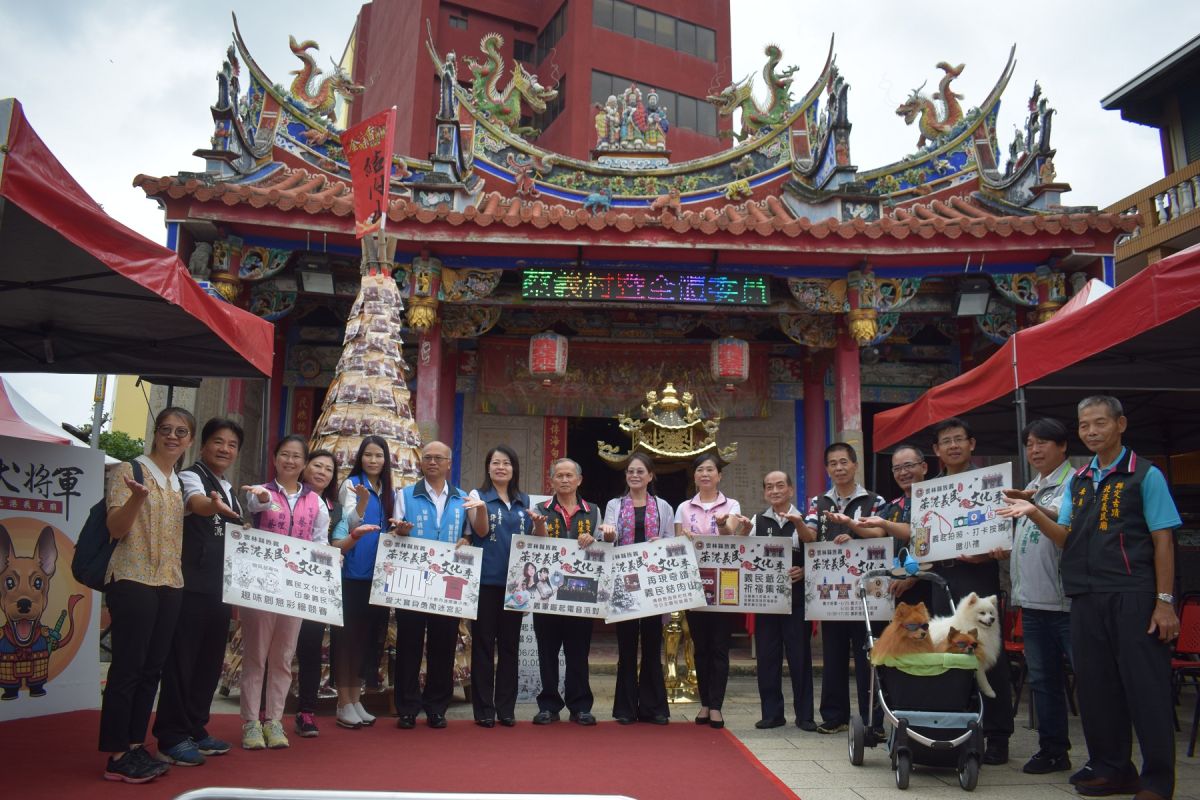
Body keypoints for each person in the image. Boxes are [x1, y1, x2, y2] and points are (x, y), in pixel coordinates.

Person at [1000, 396, 1181, 800]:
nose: (1092, 431)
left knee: (1144, 688)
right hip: (1083, 595)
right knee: (1097, 687)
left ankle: (1157, 779)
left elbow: (1163, 539)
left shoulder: (1144, 474)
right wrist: (1032, 512)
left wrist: (1164, 601)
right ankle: (1112, 768)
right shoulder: (1079, 481)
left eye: (1100, 423)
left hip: (1133, 592)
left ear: (1120, 424)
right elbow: (1065, 537)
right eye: (1085, 425)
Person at [99, 407, 195, 783]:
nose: (173, 436)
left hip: (170, 582)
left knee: (152, 669)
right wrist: (136, 498)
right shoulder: (131, 470)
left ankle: (136, 744)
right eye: (166, 429)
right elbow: (115, 528)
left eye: (181, 431)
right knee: (127, 667)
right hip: (133, 579)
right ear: (156, 433)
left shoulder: (177, 482)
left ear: (189, 440)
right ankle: (117, 754)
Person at [153, 418, 244, 767]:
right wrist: (212, 504)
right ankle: (171, 736)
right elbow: (196, 503)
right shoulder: (191, 475)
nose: (225, 449)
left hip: (219, 588)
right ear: (203, 446)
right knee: (181, 661)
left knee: (208, 663)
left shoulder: (229, 487)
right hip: (190, 586)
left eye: (232, 444)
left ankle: (195, 727)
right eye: (218, 442)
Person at [928, 417, 1014, 765]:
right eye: (945, 441)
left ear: (972, 444)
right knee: (946, 652)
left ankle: (997, 736)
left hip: (978, 579)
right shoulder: (930, 489)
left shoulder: (992, 483)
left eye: (958, 439)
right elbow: (922, 538)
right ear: (936, 450)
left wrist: (997, 549)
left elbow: (1005, 532)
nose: (952, 446)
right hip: (942, 579)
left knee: (987, 654)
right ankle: (953, 729)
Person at [239, 435, 330, 751]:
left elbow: (320, 541)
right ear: (275, 457)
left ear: (304, 464)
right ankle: (251, 721)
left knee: (282, 656)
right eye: (285, 455)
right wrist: (264, 497)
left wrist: (329, 561)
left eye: (296, 457)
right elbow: (255, 505)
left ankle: (274, 720)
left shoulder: (315, 502)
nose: (290, 461)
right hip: (261, 586)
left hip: (295, 589)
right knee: (256, 654)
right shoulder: (261, 492)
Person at [998, 418, 1075, 775]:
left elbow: (1063, 527)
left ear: (1062, 446)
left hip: (1066, 602)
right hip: (1031, 602)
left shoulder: (1075, 482)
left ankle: (1108, 755)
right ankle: (1053, 750)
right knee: (1043, 682)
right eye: (1030, 443)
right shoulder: (1031, 486)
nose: (1035, 450)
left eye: (1043, 442)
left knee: (1088, 679)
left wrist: (1033, 507)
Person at [797, 442, 886, 736]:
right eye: (833, 463)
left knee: (867, 656)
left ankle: (872, 719)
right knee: (832, 655)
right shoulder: (818, 503)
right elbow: (810, 537)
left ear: (855, 465)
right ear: (827, 469)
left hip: (866, 594)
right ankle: (835, 716)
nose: (839, 468)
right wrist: (798, 523)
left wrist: (853, 531)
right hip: (831, 592)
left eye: (844, 462)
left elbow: (881, 533)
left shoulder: (874, 500)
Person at [729, 470, 817, 731]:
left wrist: (805, 571)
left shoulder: (806, 519)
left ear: (791, 490)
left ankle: (805, 716)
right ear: (764, 492)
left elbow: (815, 550)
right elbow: (740, 550)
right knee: (767, 658)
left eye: (780, 486)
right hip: (766, 600)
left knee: (800, 658)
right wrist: (744, 531)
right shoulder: (757, 520)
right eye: (769, 487)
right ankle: (771, 713)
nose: (775, 491)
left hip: (797, 599)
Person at [391, 440, 470, 730]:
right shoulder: (406, 494)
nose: (433, 462)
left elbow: (469, 535)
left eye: (439, 458)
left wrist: (467, 540)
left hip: (448, 582)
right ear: (421, 463)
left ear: (450, 463)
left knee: (444, 645)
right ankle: (407, 708)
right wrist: (399, 531)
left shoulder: (463, 498)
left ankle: (437, 707)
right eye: (428, 458)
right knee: (409, 644)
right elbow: (393, 529)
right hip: (412, 578)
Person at [528, 458, 606, 726]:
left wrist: (594, 539)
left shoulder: (593, 511)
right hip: (546, 594)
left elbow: (602, 552)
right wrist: (539, 526)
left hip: (580, 594)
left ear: (579, 480)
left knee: (578, 652)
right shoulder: (539, 509)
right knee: (547, 651)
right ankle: (548, 705)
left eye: (569, 475)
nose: (564, 479)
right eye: (559, 475)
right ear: (551, 481)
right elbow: (531, 548)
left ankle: (580, 705)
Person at [599, 452, 675, 725]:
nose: (634, 475)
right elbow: (606, 533)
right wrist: (607, 533)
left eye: (640, 471)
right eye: (630, 471)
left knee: (653, 645)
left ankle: (654, 708)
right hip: (624, 581)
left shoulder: (663, 506)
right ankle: (625, 709)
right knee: (627, 645)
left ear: (651, 476)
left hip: (653, 582)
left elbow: (670, 540)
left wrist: (660, 542)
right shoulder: (615, 505)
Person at [674, 452, 746, 729]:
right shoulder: (684, 507)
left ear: (719, 476)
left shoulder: (732, 504)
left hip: (723, 583)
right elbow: (678, 541)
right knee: (700, 647)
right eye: (700, 470)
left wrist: (720, 524)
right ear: (694, 476)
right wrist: (684, 537)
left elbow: (730, 533)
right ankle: (704, 702)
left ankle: (716, 705)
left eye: (710, 470)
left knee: (719, 647)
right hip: (693, 583)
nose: (705, 474)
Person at [464, 445, 531, 728]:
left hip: (516, 585)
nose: (500, 467)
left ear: (514, 469)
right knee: (482, 646)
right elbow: (480, 532)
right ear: (488, 468)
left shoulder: (523, 500)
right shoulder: (477, 496)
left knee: (509, 648)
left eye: (506, 463)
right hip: (486, 582)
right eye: (495, 463)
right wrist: (480, 509)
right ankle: (483, 709)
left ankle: (506, 708)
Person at [329, 436, 390, 730]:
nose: (374, 460)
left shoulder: (388, 490)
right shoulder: (352, 484)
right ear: (360, 458)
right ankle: (342, 702)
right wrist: (363, 501)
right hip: (351, 572)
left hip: (376, 577)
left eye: (379, 456)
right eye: (369, 455)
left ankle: (355, 699)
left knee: (364, 641)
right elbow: (349, 525)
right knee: (346, 640)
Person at [293, 449, 341, 739]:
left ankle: (306, 711)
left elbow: (330, 543)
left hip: (313, 587)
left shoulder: (333, 507)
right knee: (277, 651)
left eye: (329, 469)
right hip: (281, 583)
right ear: (304, 466)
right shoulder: (282, 495)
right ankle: (263, 712)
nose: (322, 472)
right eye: (317, 466)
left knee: (310, 649)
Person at [861, 444, 928, 607]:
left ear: (924, 467)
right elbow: (877, 532)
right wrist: (849, 523)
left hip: (929, 585)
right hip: (896, 587)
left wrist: (912, 578)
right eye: (897, 468)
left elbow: (921, 536)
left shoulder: (937, 499)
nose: (903, 472)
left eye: (909, 466)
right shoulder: (892, 507)